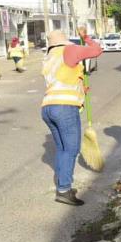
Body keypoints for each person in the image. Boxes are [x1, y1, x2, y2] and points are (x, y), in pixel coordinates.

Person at [41, 27, 102, 206]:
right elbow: (97, 50)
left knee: (62, 149)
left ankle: (63, 185)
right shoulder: (69, 49)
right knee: (72, 149)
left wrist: (81, 89)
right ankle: (64, 190)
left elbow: (62, 79)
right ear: (64, 41)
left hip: (48, 107)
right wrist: (85, 37)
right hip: (64, 108)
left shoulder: (50, 57)